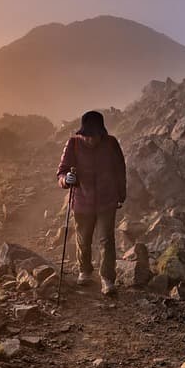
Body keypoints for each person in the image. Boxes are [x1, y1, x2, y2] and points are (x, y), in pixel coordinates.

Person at [57, 110, 127, 296]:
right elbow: (62, 171)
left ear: (101, 133)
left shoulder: (111, 143)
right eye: (86, 135)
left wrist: (121, 194)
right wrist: (67, 179)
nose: (90, 139)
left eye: (94, 135)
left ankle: (107, 279)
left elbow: (120, 168)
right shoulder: (73, 143)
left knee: (106, 240)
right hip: (82, 200)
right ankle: (85, 270)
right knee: (84, 239)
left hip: (107, 199)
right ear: (82, 133)